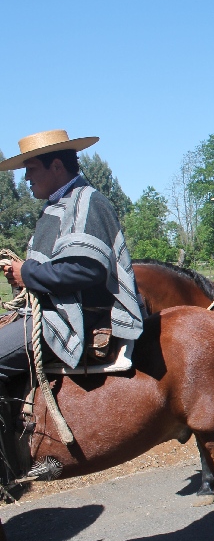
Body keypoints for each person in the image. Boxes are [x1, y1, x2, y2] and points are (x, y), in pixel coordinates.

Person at [0, 130, 143, 479]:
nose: (26, 176)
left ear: (57, 166)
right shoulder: (60, 205)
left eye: (31, 167)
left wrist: (26, 273)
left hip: (73, 316)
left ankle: (7, 463)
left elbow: (86, 268)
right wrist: (23, 276)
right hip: (49, 307)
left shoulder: (85, 202)